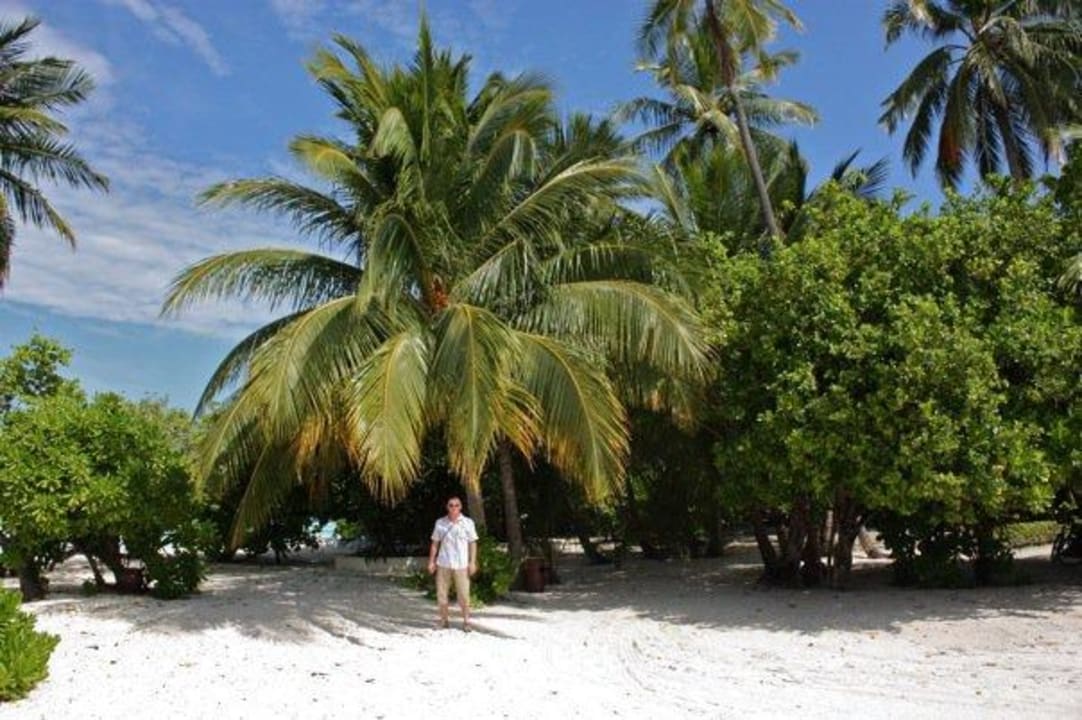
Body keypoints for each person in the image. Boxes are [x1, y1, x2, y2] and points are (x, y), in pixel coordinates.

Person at [428, 496, 479, 631]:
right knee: (442, 594)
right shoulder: (440, 523)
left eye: (457, 505)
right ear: (447, 507)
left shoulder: (468, 523)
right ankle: (444, 621)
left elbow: (472, 543)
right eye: (451, 505)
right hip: (443, 563)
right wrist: (431, 562)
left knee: (464, 594)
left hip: (461, 564)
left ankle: (466, 622)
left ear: (461, 507)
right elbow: (435, 543)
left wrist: (472, 562)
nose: (454, 507)